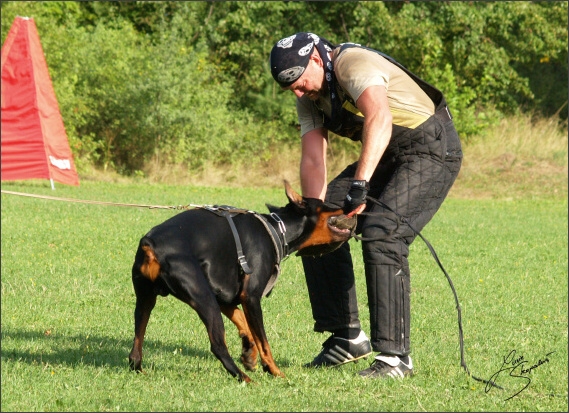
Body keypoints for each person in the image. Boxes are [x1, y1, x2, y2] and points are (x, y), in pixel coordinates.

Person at [269, 32, 462, 379]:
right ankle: (347, 337)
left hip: (432, 148)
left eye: (300, 83)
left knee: (383, 233)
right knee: (321, 219)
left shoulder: (353, 64)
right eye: (291, 89)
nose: (299, 93)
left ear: (315, 59)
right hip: (388, 154)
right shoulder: (310, 96)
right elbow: (313, 159)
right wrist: (313, 212)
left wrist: (360, 184)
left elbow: (379, 117)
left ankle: (394, 359)